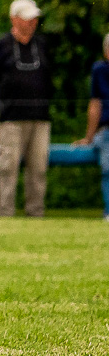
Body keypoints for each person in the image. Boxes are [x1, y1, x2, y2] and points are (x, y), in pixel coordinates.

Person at [0, 0, 54, 218]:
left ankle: (36, 212)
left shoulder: (43, 45)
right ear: (14, 19)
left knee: (39, 168)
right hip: (11, 118)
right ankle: (6, 213)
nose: (32, 22)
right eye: (27, 18)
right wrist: (3, 100)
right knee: (8, 167)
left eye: (34, 19)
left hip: (41, 117)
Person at [72, 33, 109, 221]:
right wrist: (89, 137)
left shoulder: (99, 70)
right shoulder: (101, 70)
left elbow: (95, 105)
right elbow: (96, 105)